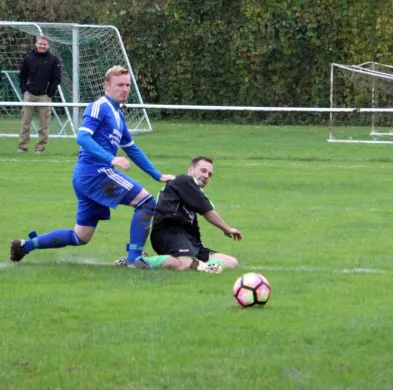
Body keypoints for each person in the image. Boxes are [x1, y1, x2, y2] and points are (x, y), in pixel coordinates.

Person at [10, 66, 174, 268]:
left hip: (87, 178)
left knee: (81, 236)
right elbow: (82, 137)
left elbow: (132, 148)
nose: (125, 89)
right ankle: (134, 258)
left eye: (127, 85)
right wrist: (111, 159)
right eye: (119, 85)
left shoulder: (118, 116)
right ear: (106, 85)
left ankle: (24, 246)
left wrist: (157, 175)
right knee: (147, 202)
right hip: (96, 173)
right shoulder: (100, 106)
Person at [120, 156, 242, 271]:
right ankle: (140, 260)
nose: (206, 176)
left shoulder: (194, 191)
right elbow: (207, 211)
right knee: (185, 264)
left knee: (231, 261)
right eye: (203, 171)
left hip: (189, 238)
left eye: (209, 174)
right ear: (191, 169)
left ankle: (208, 267)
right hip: (169, 233)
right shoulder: (184, 180)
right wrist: (227, 229)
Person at [17, 35, 62, 154]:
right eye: (40, 44)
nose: (42, 46)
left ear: (48, 46)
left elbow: (56, 79)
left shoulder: (54, 60)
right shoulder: (28, 58)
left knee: (44, 125)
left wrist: (49, 93)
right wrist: (24, 90)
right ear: (36, 44)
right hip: (29, 95)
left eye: (44, 44)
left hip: (44, 96)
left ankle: (40, 149)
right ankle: (22, 147)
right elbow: (22, 76)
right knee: (25, 123)